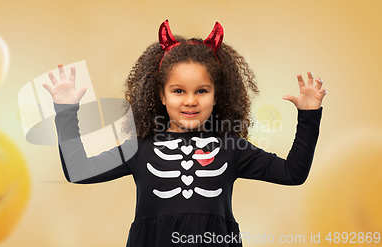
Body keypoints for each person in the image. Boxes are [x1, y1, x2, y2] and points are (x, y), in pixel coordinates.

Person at [42, 20, 326, 247]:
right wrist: (66, 111)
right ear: (161, 96)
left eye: (201, 91)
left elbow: (293, 173)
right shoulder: (139, 149)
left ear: (217, 96)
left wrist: (309, 116)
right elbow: (78, 170)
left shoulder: (232, 148)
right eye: (178, 91)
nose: (190, 101)